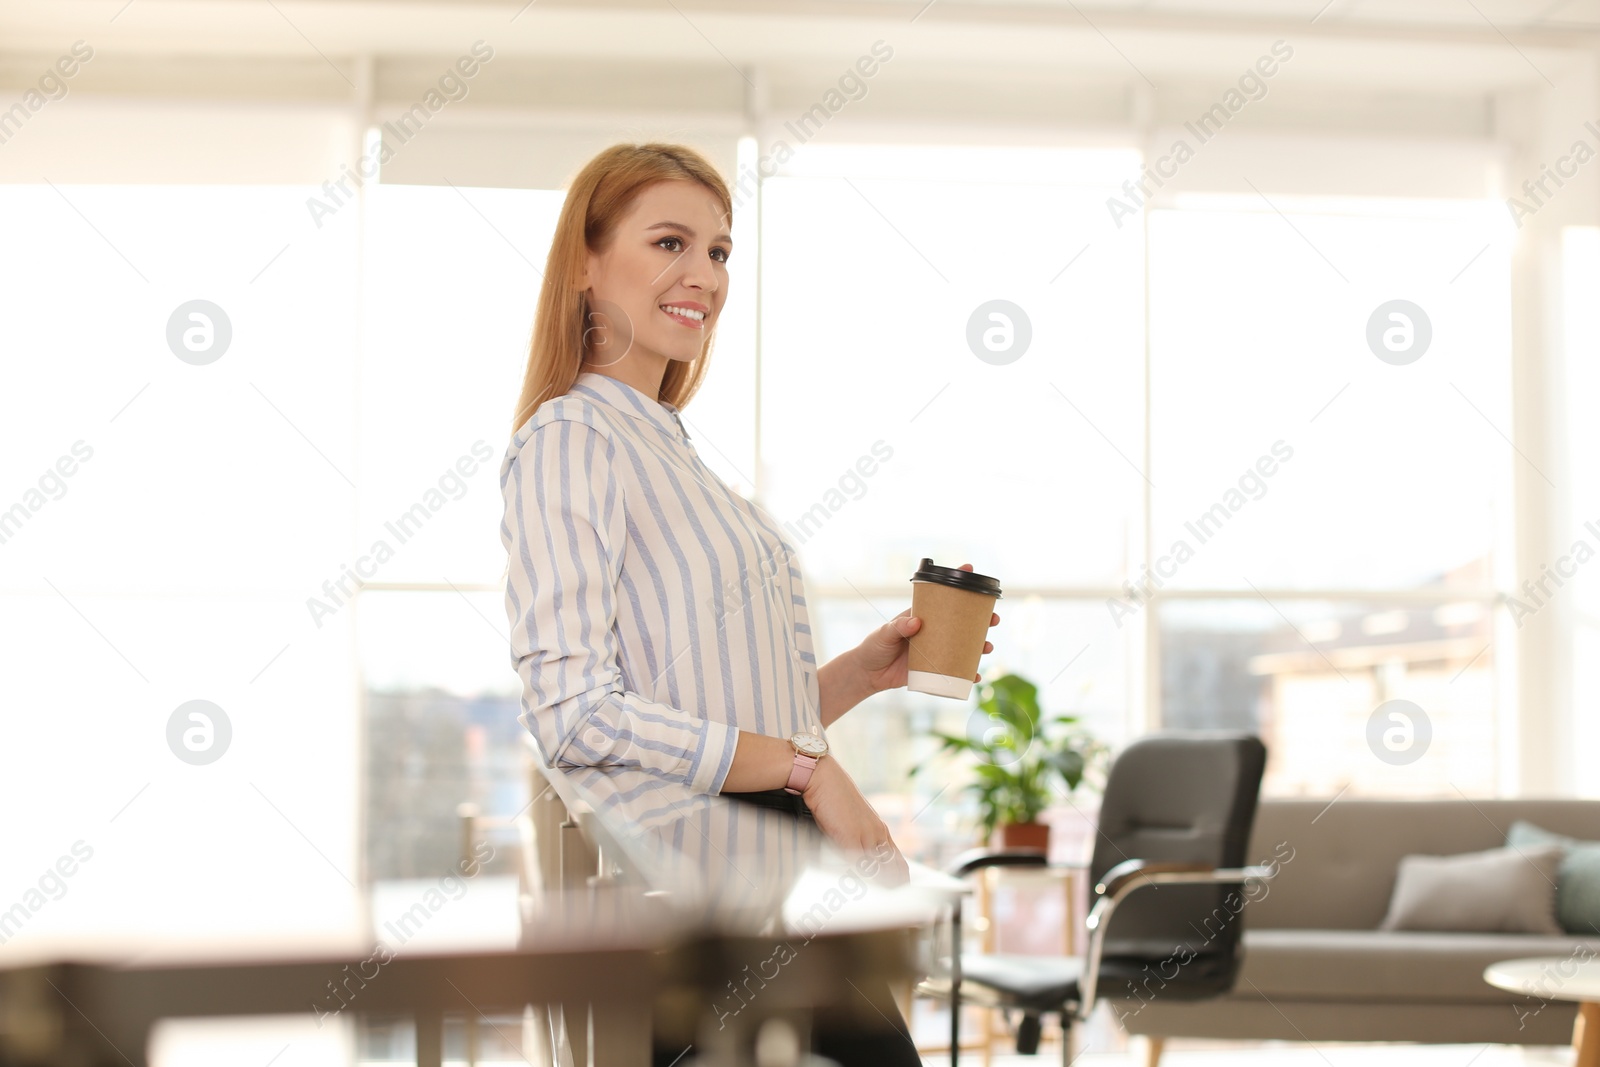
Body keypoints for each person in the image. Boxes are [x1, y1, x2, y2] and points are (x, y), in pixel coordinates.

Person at [499, 142, 999, 1064]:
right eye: (670, 242)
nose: (704, 275)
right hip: (700, 906)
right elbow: (572, 715)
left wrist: (860, 675)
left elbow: (711, 712)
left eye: (720, 251)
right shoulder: (573, 435)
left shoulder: (672, 451)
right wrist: (811, 771)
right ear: (586, 262)